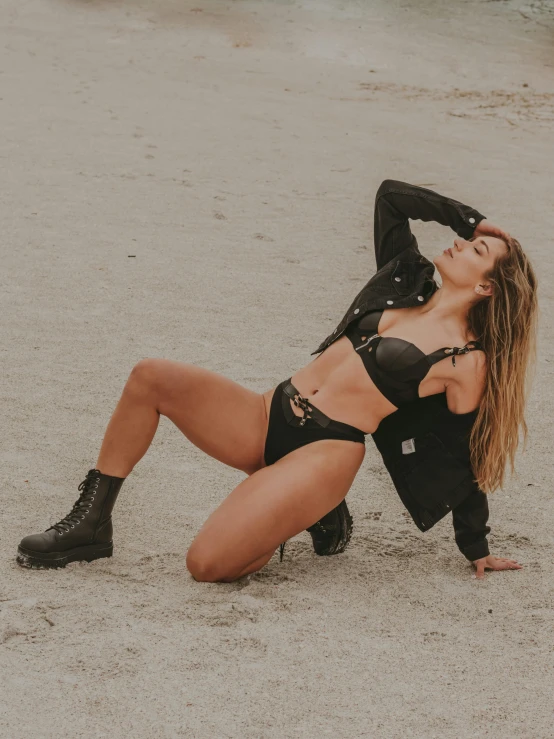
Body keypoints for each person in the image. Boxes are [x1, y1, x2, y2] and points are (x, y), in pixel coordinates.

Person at [17, 180, 537, 583]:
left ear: (488, 286)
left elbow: (463, 455)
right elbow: (391, 198)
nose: (459, 244)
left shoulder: (466, 361)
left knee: (207, 565)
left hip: (326, 453)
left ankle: (310, 506)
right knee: (151, 376)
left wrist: (476, 544)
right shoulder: (406, 274)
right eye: (466, 240)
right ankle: (91, 523)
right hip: (270, 412)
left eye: (474, 250)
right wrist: (477, 220)